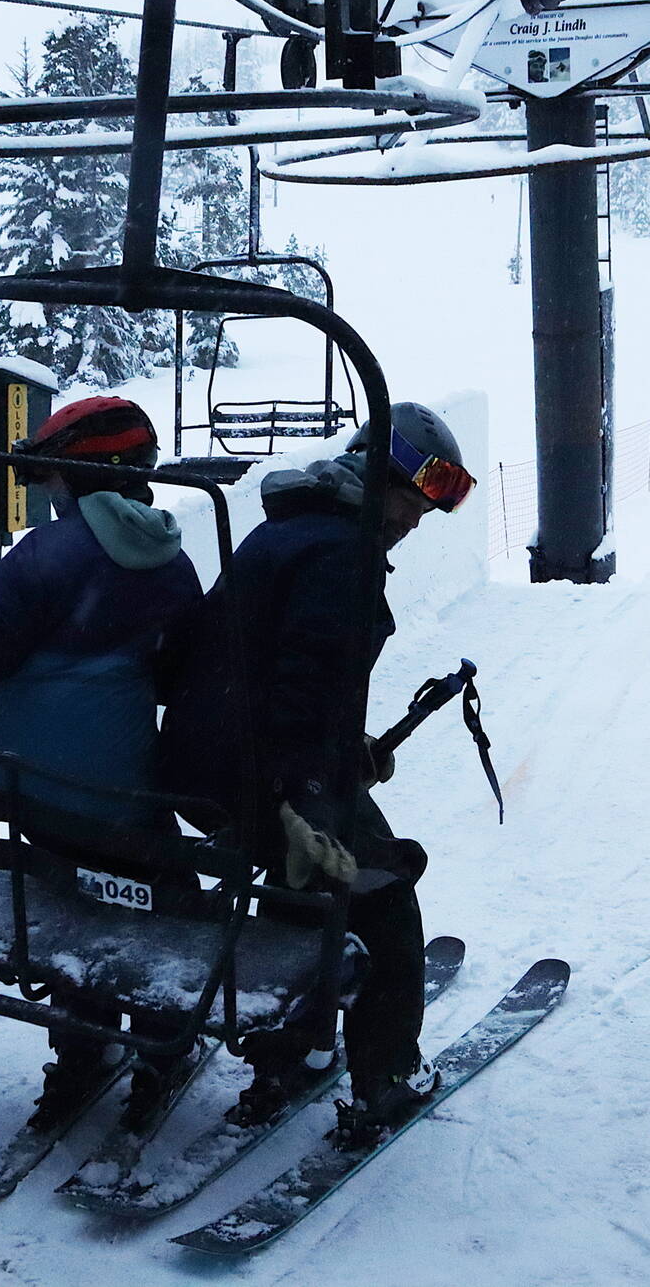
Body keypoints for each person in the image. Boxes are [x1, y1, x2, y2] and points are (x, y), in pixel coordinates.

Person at [0, 396, 205, 1132]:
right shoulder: (172, 558)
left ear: (71, 477)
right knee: (162, 898)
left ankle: (83, 1048)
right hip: (122, 790)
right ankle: (159, 1042)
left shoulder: (45, 557)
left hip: (33, 790)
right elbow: (179, 668)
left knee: (75, 900)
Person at [159, 402, 475, 1147]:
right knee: (382, 889)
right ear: (376, 474)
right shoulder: (345, 552)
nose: (415, 520)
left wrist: (346, 749)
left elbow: (276, 669)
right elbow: (300, 683)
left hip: (209, 758)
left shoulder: (293, 527)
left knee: (300, 884)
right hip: (257, 768)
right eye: (412, 500)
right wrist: (303, 797)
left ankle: (287, 1057)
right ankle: (385, 1079)